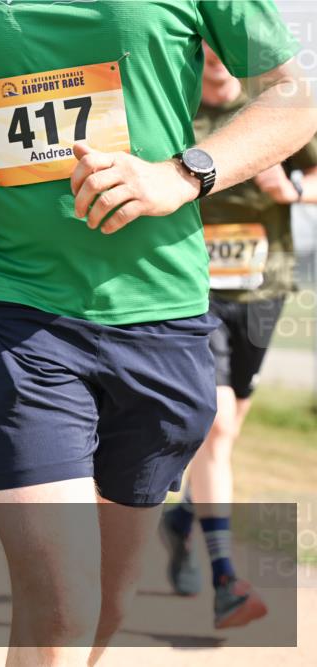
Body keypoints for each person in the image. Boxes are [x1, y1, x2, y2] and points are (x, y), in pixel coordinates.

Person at [0, 2, 316, 665]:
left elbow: (293, 96)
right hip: (4, 303)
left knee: (103, 607)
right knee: (62, 604)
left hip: (159, 310)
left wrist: (181, 175)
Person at [159, 44, 317, 630]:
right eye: (205, 52)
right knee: (218, 423)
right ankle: (226, 577)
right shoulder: (171, 110)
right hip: (191, 293)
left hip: (262, 291)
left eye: (225, 51)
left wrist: (293, 191)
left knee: (228, 429)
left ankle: (182, 521)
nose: (217, 61)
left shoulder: (272, 109)